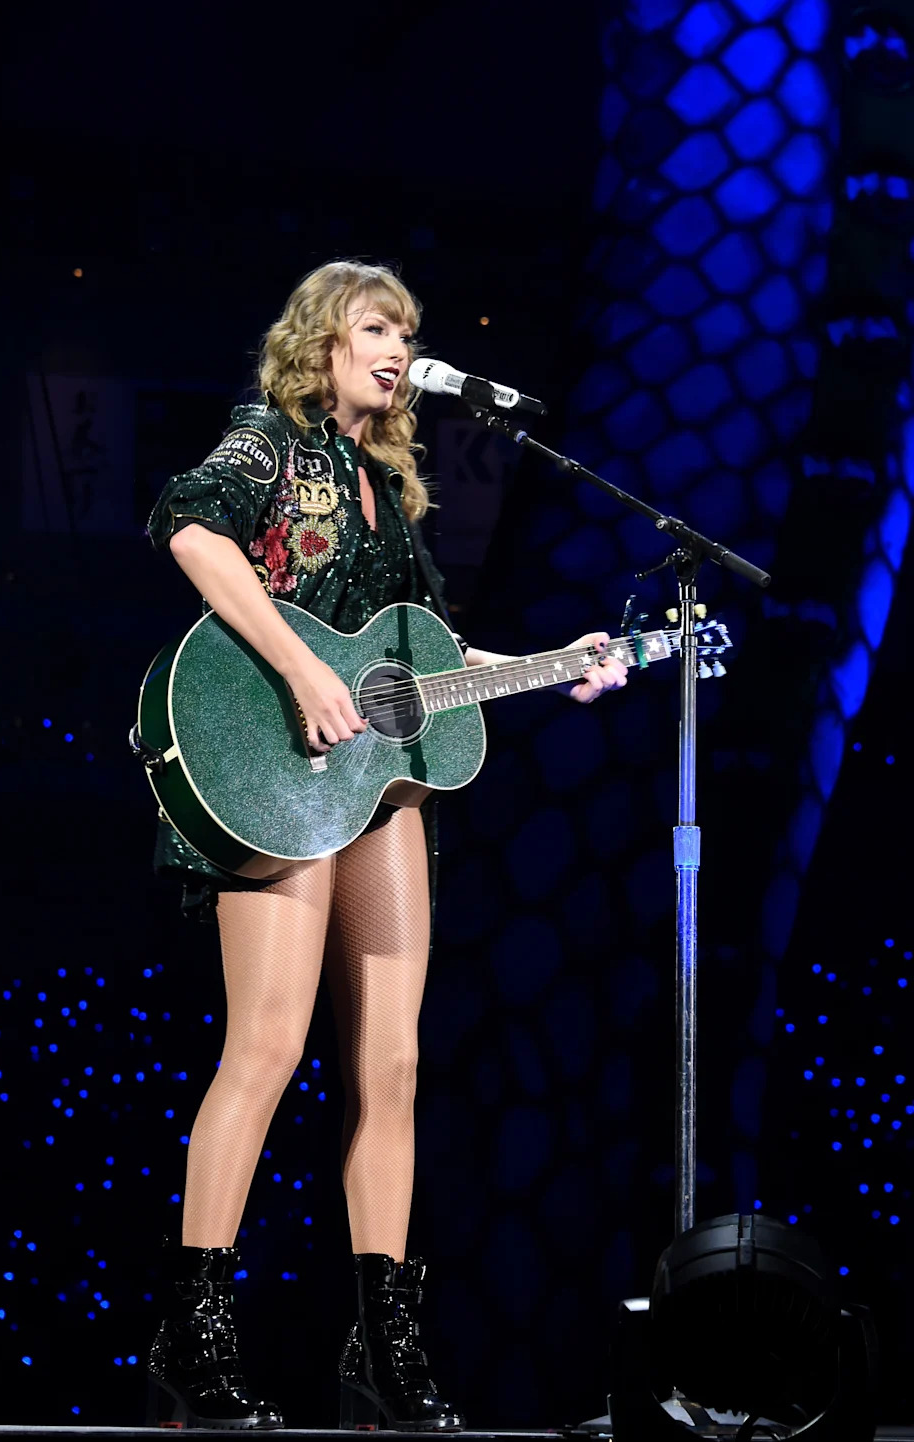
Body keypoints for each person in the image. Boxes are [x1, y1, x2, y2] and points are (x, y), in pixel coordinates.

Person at [143, 259, 628, 1431]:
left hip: (378, 791)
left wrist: (552, 664)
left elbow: (417, 667)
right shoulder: (274, 441)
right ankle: (192, 1330)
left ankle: (383, 1339)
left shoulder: (388, 485)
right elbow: (188, 531)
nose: (399, 346)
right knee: (265, 1045)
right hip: (277, 766)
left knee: (394, 1067)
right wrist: (306, 670)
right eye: (377, 325)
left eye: (407, 330)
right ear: (324, 340)